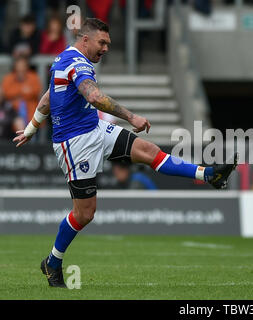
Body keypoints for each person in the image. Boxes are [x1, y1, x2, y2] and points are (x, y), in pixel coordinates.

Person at [12, 18, 238, 288]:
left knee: (148, 150)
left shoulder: (64, 59)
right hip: (74, 143)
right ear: (85, 39)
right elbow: (94, 97)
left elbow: (48, 97)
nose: (105, 48)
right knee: (85, 214)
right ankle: (53, 261)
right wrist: (131, 116)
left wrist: (30, 128)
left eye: (108, 43)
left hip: (94, 129)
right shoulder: (77, 64)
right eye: (102, 42)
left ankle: (209, 174)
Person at [1, 56, 42, 124]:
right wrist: (23, 91)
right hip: (12, 114)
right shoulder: (8, 78)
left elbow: (36, 91)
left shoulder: (33, 77)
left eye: (23, 67)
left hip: (31, 113)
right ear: (15, 67)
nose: (21, 69)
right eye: (18, 67)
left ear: (27, 67)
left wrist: (17, 95)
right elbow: (6, 93)